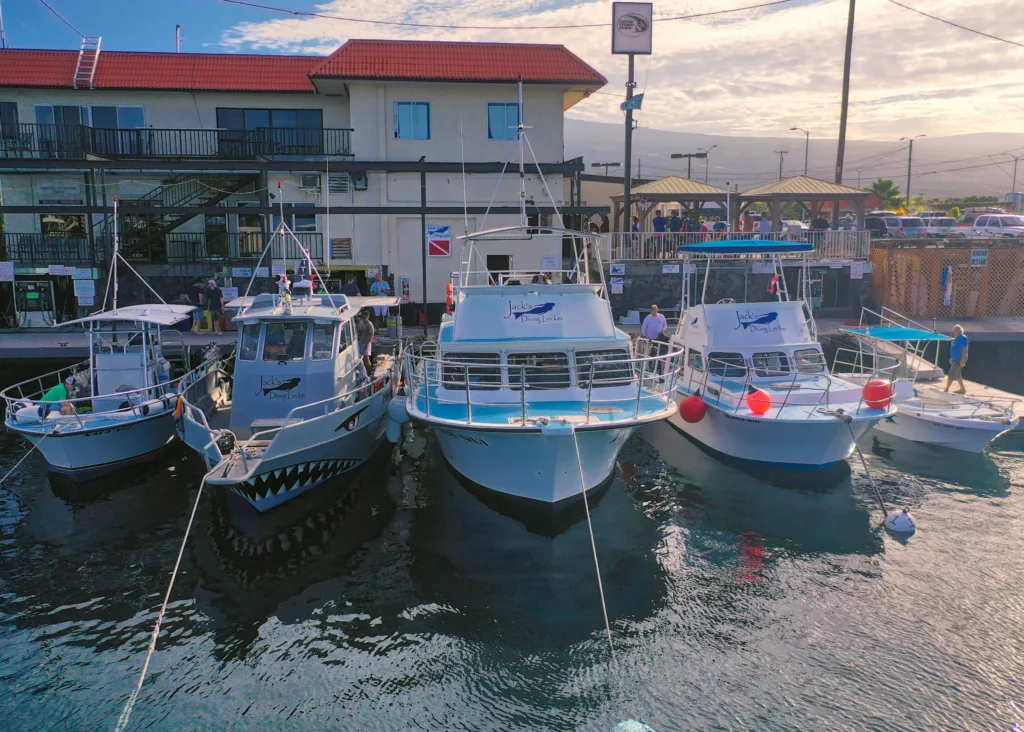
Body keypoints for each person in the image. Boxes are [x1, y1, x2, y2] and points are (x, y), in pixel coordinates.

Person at [943, 324, 969, 394]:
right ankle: (962, 389)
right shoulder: (955, 338)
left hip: (959, 359)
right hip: (955, 359)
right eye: (954, 330)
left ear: (960, 331)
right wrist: (951, 357)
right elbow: (954, 348)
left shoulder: (963, 338)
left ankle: (946, 389)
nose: (954, 331)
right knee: (957, 374)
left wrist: (963, 359)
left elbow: (965, 349)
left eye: (955, 330)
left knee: (951, 373)